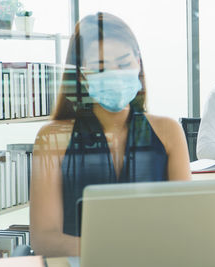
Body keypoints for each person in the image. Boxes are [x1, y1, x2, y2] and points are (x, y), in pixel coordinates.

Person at [30, 12, 191, 257]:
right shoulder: (52, 137)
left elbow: (187, 222)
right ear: (83, 75)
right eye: (101, 67)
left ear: (138, 63)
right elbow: (44, 239)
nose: (115, 74)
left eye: (124, 63)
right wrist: (123, 251)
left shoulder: (168, 131)